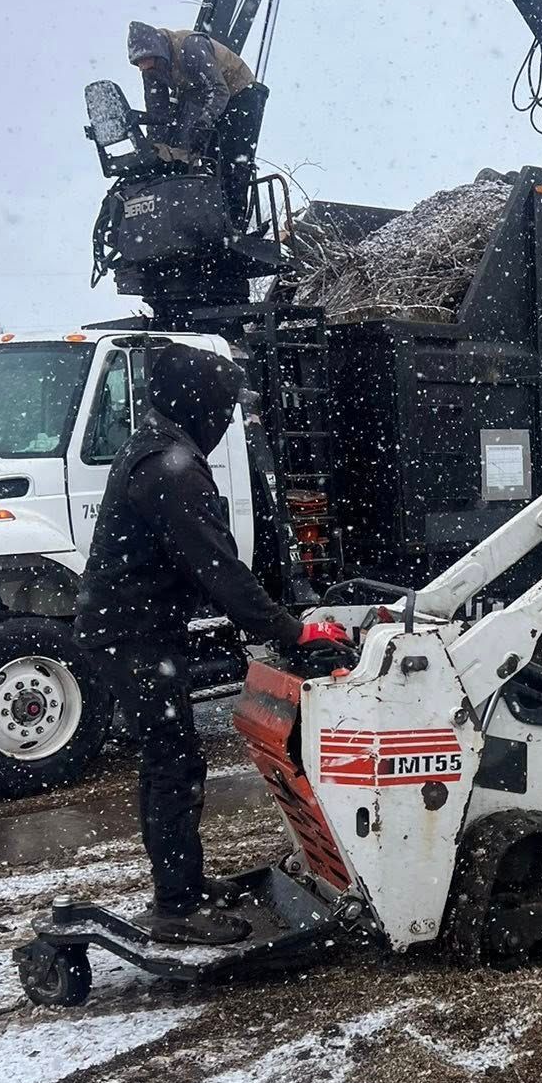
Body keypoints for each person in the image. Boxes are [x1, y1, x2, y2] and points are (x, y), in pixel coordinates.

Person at [76, 342, 353, 945]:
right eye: (222, 407)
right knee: (172, 763)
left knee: (170, 760)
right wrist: (294, 631)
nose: (226, 420)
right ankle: (177, 906)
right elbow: (217, 569)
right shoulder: (171, 465)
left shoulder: (155, 446)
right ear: (196, 402)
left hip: (132, 629)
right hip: (134, 636)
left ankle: (186, 885)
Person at [127, 21, 254, 159]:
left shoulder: (190, 47)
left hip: (240, 89)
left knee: (229, 154)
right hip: (199, 91)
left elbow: (219, 90)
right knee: (186, 138)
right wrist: (153, 146)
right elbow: (156, 110)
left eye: (143, 60)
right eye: (137, 63)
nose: (141, 67)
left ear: (156, 51)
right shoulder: (150, 69)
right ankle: (187, 164)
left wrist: (204, 122)